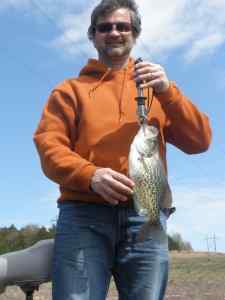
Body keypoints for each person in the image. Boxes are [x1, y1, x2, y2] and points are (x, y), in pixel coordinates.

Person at [33, 0, 212, 299]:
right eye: (104, 27)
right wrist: (89, 175)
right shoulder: (69, 90)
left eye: (122, 26)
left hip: (147, 214)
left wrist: (169, 93)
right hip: (83, 215)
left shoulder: (158, 89)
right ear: (92, 35)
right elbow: (49, 147)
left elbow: (200, 141)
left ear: (135, 33)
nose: (114, 32)